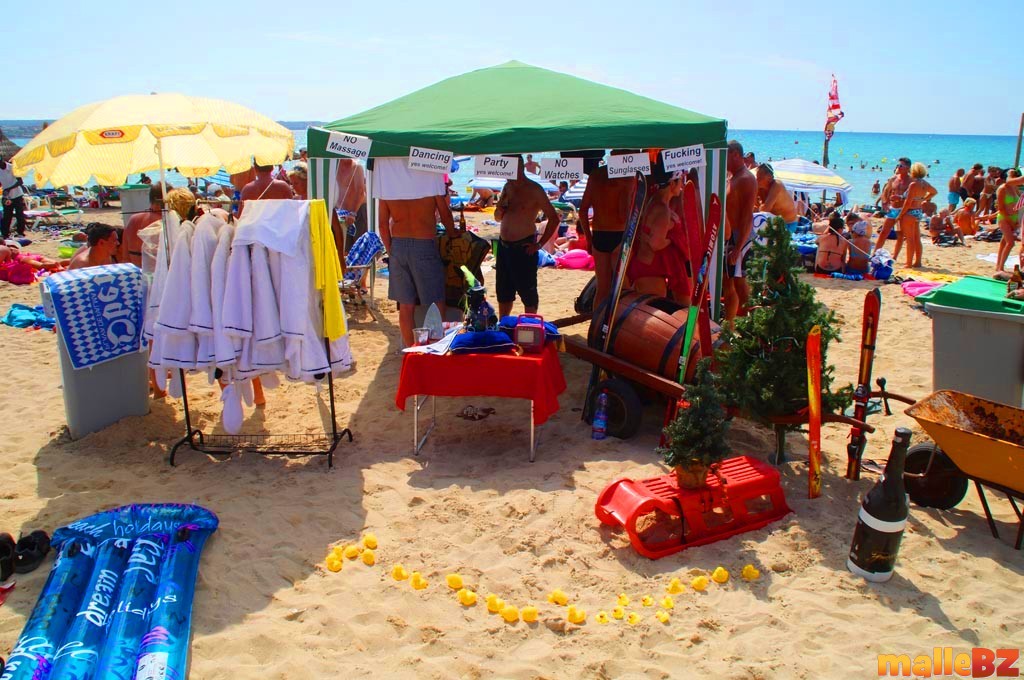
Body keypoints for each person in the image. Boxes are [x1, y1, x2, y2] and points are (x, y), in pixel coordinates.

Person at [379, 182, 457, 348]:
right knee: (435, 304)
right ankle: (436, 349)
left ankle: (411, 352)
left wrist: (391, 251)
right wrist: (453, 234)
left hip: (399, 245)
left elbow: (382, 225)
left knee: (406, 306)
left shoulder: (388, 182)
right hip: (424, 242)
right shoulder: (428, 179)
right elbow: (445, 215)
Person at [493, 155, 560, 318]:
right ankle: (504, 323)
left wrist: (539, 245)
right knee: (503, 291)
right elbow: (497, 217)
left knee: (528, 292)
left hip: (523, 246)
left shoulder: (534, 189)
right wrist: (500, 209)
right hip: (504, 245)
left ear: (520, 166)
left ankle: (530, 324)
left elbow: (554, 218)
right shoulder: (507, 187)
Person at [578, 150, 637, 306]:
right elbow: (624, 215)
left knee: (602, 289)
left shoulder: (595, 175)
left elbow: (582, 210)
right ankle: (619, 320)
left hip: (599, 234)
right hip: (620, 235)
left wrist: (589, 239)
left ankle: (597, 320)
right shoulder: (627, 178)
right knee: (622, 288)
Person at [627, 168, 688, 299]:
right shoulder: (663, 208)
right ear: (672, 183)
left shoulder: (654, 201)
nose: (682, 185)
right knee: (656, 309)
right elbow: (655, 244)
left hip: (644, 265)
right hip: (650, 269)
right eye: (680, 181)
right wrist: (673, 239)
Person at [723, 140, 757, 323]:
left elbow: (747, 216)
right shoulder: (733, 177)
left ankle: (753, 323)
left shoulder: (746, 179)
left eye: (725, 155)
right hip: (731, 237)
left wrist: (738, 248)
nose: (723, 159)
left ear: (735, 154)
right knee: (728, 282)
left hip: (740, 237)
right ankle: (730, 325)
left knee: (740, 283)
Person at [894, 162, 937, 268]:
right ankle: (918, 262)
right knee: (917, 238)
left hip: (910, 212)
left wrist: (900, 215)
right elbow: (934, 192)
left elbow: (908, 202)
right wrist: (923, 199)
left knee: (910, 239)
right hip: (918, 211)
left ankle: (908, 263)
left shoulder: (913, 184)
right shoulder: (924, 183)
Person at [874, 158, 913, 257]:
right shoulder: (893, 179)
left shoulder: (911, 181)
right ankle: (875, 254)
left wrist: (901, 198)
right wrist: (884, 203)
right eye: (898, 165)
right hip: (893, 209)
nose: (898, 167)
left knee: (900, 235)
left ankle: (895, 256)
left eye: (901, 166)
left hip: (904, 210)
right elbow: (885, 192)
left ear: (908, 168)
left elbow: (914, 197)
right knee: (884, 232)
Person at [121, 183, 165, 267]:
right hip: (154, 271)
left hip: (134, 270)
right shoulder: (162, 222)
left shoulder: (133, 219)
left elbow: (125, 257)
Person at [333, 158, 367, 258]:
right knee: (343, 249)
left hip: (357, 211)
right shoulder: (333, 167)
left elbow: (361, 192)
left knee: (359, 249)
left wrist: (353, 213)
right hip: (341, 214)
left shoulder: (357, 167)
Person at [994, 169, 1024, 273]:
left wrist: (1017, 220)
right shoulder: (1002, 188)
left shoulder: (1014, 187)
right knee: (1010, 243)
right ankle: (1000, 268)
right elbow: (1001, 208)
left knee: (1004, 242)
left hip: (1014, 218)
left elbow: (1019, 202)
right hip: (1004, 218)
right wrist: (1011, 222)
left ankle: (999, 266)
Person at [0, 157, 28, 239]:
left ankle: (20, 233)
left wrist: (9, 189)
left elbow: (20, 181)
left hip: (17, 195)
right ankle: (5, 234)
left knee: (20, 215)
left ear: (2, 161)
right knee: (7, 216)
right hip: (6, 197)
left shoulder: (12, 167)